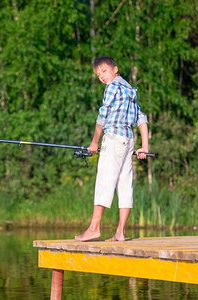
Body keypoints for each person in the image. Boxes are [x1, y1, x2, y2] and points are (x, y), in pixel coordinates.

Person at [75, 56, 149, 242]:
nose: (101, 77)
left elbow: (103, 114)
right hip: (128, 140)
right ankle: (120, 233)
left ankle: (94, 228)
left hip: (114, 139)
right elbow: (141, 118)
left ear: (115, 69)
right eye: (98, 74)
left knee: (104, 182)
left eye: (104, 71)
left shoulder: (112, 87)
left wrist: (94, 142)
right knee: (125, 185)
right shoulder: (130, 90)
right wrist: (145, 146)